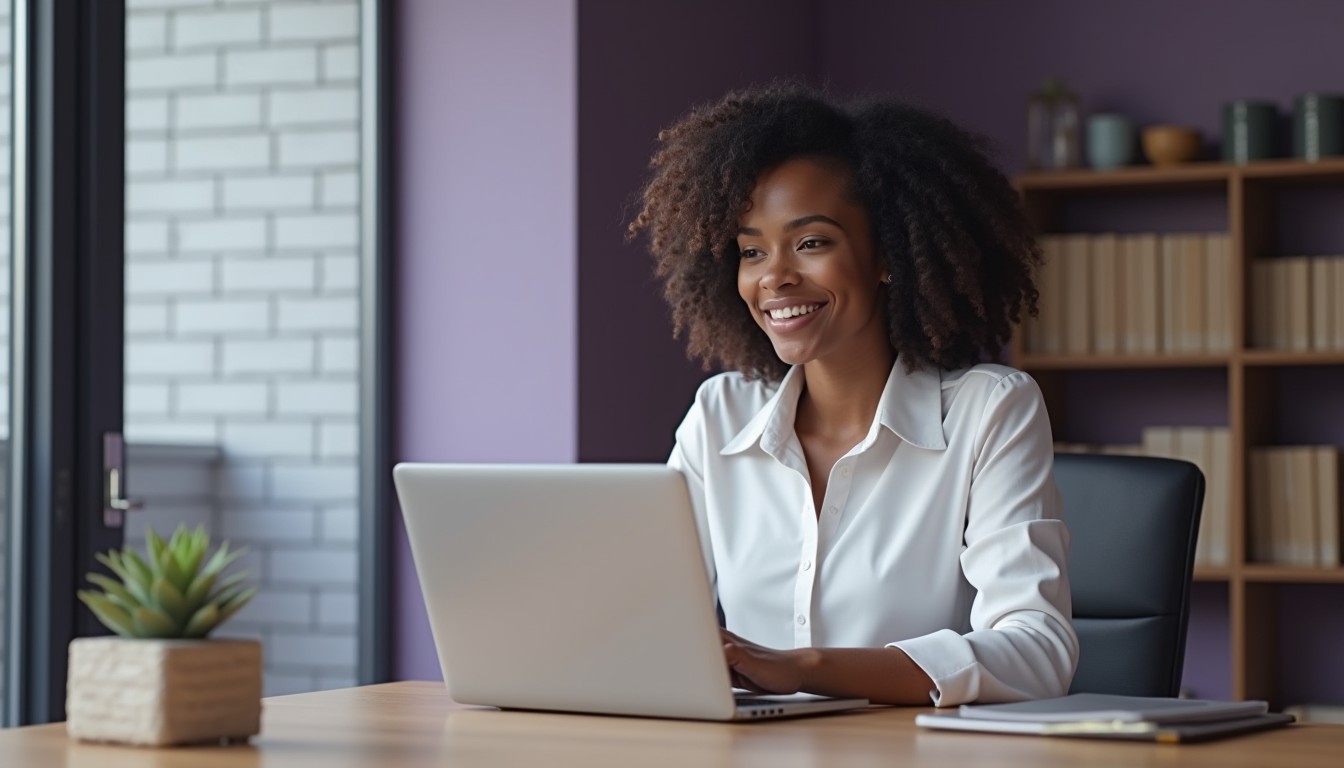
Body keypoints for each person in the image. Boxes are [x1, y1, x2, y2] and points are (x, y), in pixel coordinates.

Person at [627, 83, 1077, 707]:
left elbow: (1038, 652)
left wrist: (805, 668)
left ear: (886, 255)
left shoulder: (989, 411)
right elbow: (646, 618)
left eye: (811, 242)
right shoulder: (719, 415)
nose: (774, 276)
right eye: (752, 251)